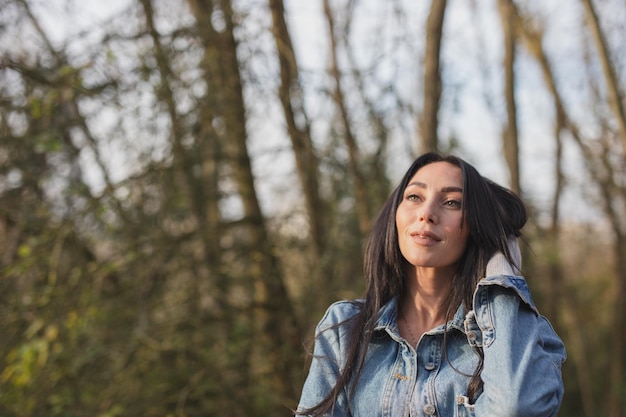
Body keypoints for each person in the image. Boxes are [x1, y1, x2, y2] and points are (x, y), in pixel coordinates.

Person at [296, 152, 566, 417]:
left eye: (451, 202)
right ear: (395, 215)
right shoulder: (345, 328)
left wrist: (502, 277)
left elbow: (514, 409)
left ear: (477, 225)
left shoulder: (524, 337)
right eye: (414, 197)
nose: (426, 213)